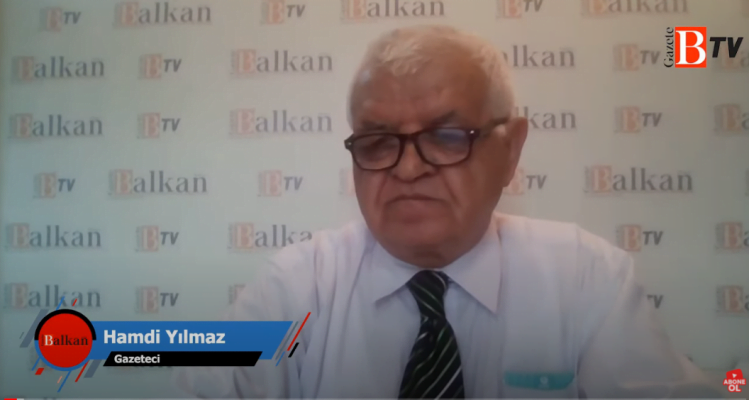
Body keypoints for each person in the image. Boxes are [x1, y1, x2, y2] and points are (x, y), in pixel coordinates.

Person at [173, 25, 723, 398]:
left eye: (446, 136)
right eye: (378, 141)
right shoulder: (293, 287)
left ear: (510, 149)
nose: (409, 169)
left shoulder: (587, 277)